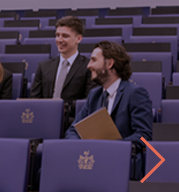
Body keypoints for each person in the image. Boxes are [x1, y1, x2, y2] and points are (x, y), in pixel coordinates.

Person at [65, 41, 152, 179]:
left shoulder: (135, 93)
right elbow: (72, 130)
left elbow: (143, 135)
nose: (88, 66)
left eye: (93, 60)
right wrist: (81, 145)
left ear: (110, 64)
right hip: (93, 160)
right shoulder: (94, 95)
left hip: (120, 162)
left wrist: (109, 147)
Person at [29, 16, 97, 125]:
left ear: (78, 39)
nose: (59, 40)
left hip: (74, 122)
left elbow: (89, 101)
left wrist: (62, 106)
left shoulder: (89, 67)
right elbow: (34, 99)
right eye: (57, 35)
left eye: (65, 36)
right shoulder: (44, 66)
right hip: (43, 120)